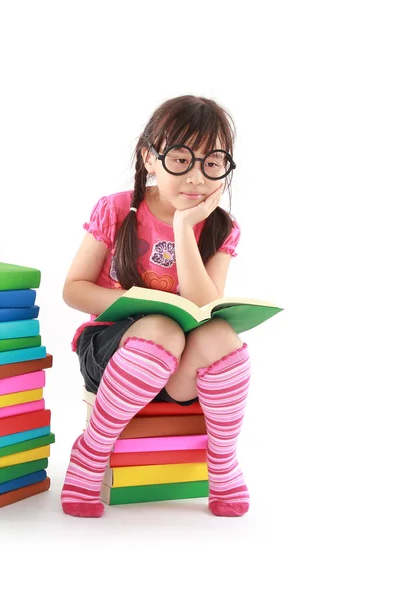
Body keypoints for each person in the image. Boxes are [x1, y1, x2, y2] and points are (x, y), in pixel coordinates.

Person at [61, 95, 251, 519]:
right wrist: (139, 306)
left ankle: (222, 461)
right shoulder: (117, 208)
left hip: (178, 370)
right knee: (161, 328)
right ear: (149, 157)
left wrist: (184, 226)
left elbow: (204, 306)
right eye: (181, 159)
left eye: (213, 162)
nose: (197, 177)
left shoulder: (222, 226)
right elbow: (74, 290)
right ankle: (92, 452)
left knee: (221, 335)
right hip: (112, 353)